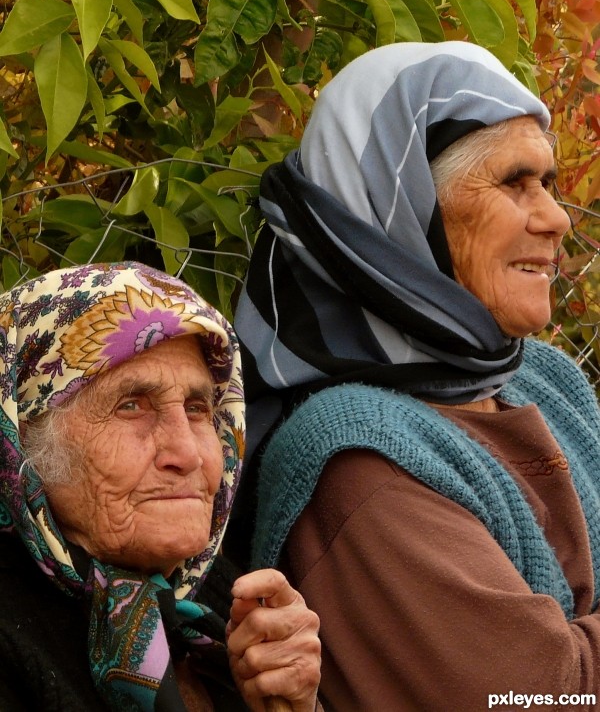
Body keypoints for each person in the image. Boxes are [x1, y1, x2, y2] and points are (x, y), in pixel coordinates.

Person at [231, 41, 600, 711]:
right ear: (402, 209)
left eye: (546, 182)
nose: (555, 218)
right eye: (514, 182)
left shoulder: (541, 378)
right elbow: (544, 698)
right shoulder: (357, 459)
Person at [0, 261, 320, 711]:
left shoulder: (219, 602)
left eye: (197, 408)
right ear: (23, 443)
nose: (187, 453)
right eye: (131, 406)